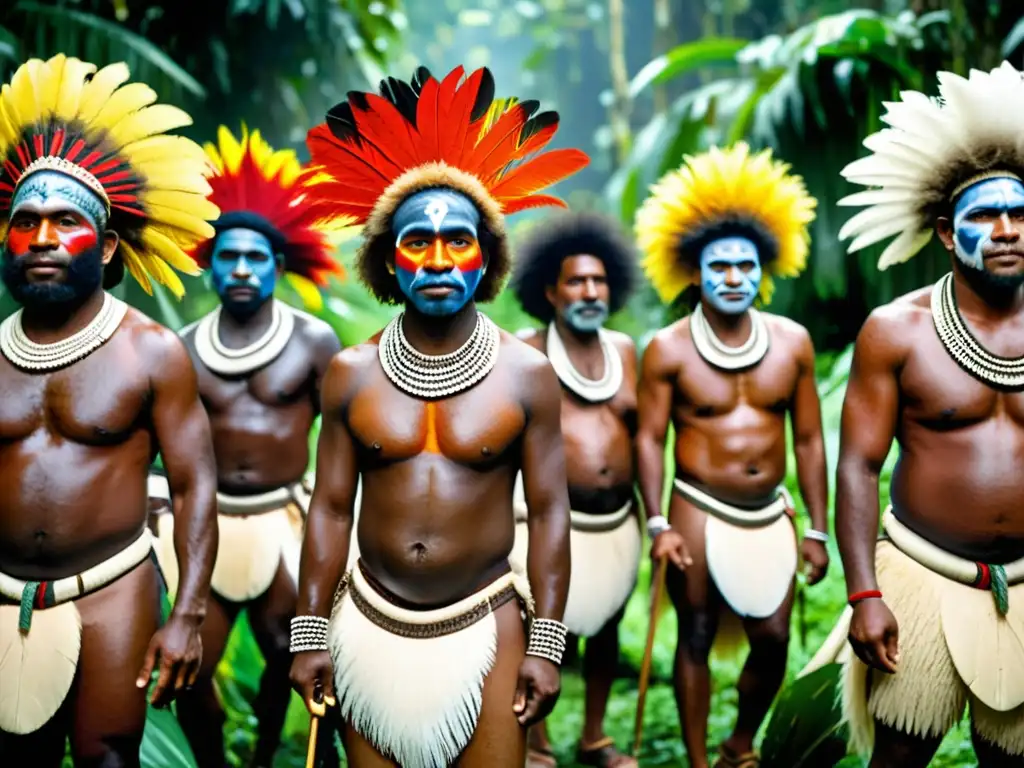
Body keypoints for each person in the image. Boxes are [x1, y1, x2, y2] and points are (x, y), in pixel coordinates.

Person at [287, 65, 589, 768]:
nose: (439, 261)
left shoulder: (527, 376)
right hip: (369, 619)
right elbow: (329, 508)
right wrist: (308, 633)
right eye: (417, 243)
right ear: (388, 263)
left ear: (486, 260)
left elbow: (548, 515)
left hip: (484, 620)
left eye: (458, 241)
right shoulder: (351, 374)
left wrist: (546, 644)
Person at [801, 61, 1024, 767]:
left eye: (1021, 213)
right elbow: (859, 466)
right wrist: (864, 592)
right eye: (986, 216)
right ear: (947, 234)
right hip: (923, 571)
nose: (1009, 229)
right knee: (898, 757)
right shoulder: (896, 330)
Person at [0, 54, 219, 765]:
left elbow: (193, 487)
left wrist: (186, 615)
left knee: (107, 757)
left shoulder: (152, 354)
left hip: (112, 587)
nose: (41, 240)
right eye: (24, 222)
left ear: (110, 244)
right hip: (3, 592)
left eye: (66, 222)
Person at [146, 125, 349, 767]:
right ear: (211, 265)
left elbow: (343, 434)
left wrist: (341, 509)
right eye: (228, 257)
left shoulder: (315, 342)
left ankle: (263, 752)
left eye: (255, 258)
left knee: (292, 652)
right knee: (190, 669)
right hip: (201, 523)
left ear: (278, 267)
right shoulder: (179, 346)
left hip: (284, 517)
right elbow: (156, 444)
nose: (240, 269)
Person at [633, 142, 830, 768]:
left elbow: (808, 440)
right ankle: (697, 760)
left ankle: (739, 743)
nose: (734, 278)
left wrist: (818, 529)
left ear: (763, 269)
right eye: (720, 267)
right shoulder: (666, 350)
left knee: (772, 641)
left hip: (769, 511)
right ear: (695, 272)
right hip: (696, 503)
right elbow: (648, 437)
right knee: (693, 635)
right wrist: (658, 525)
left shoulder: (792, 343)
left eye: (746, 266)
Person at [507, 211, 641, 768]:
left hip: (618, 523)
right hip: (544, 522)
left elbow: (647, 438)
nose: (590, 291)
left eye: (599, 280)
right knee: (541, 629)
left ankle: (593, 738)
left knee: (606, 630)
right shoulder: (524, 349)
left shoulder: (626, 350)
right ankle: (534, 742)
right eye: (576, 281)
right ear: (549, 291)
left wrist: (655, 519)